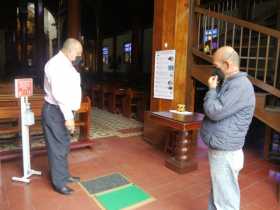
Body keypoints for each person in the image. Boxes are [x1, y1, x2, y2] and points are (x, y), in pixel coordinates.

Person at [200, 46, 256, 210]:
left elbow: (214, 111)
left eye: (217, 67)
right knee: (219, 194)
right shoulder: (231, 83)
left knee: (225, 202)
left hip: (226, 150)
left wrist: (211, 90)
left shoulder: (240, 86)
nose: (215, 71)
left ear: (227, 64)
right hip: (223, 146)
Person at [42, 38, 83, 195]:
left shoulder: (66, 64)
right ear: (70, 50)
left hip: (62, 111)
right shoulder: (55, 65)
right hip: (55, 111)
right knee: (57, 148)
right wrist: (69, 117)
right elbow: (59, 94)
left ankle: (64, 176)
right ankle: (59, 183)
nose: (79, 56)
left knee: (64, 145)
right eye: (78, 53)